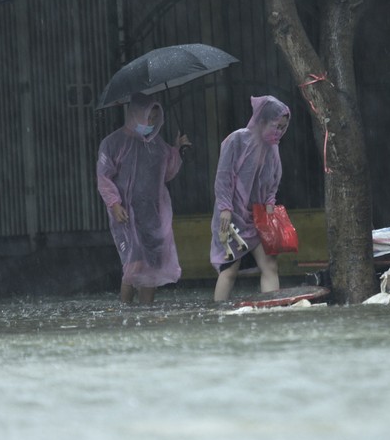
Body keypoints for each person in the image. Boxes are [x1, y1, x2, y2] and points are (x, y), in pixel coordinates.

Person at [96, 93, 191, 304]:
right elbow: (103, 176)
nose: (151, 123)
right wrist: (115, 203)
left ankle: (145, 314)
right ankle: (126, 312)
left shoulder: (156, 145)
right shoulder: (113, 143)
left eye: (155, 118)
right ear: (135, 114)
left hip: (152, 214)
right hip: (127, 215)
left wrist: (179, 150)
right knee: (134, 264)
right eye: (148, 116)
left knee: (152, 268)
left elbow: (167, 172)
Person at [210, 95, 291, 301]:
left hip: (257, 219)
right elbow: (224, 175)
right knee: (229, 269)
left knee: (270, 265)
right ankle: (218, 316)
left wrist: (270, 206)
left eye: (283, 127)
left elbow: (273, 180)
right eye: (276, 126)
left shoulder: (273, 148)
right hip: (232, 216)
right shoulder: (237, 139)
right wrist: (226, 207)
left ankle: (271, 311)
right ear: (262, 121)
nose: (279, 132)